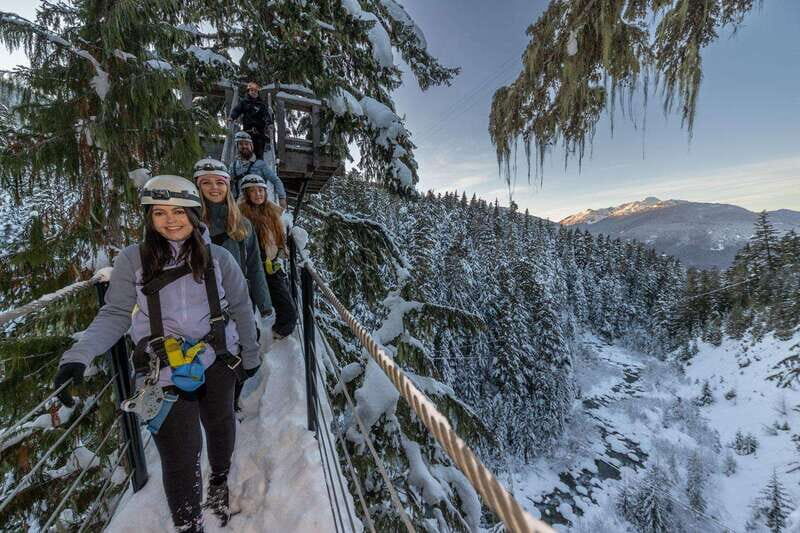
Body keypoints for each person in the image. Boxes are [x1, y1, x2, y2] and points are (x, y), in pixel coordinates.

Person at [53, 175, 260, 532]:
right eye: (159, 212)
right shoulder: (133, 260)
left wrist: (251, 356)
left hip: (217, 358)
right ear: (149, 218)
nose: (170, 220)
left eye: (179, 211)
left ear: (195, 215)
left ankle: (218, 482)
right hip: (160, 369)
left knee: (221, 424)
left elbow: (241, 308)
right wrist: (77, 357)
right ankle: (188, 524)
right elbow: (116, 314)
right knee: (180, 455)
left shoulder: (220, 259)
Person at [192, 158, 273, 318]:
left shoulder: (242, 223)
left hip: (237, 301)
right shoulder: (188, 223)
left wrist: (264, 304)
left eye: (220, 182)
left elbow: (254, 265)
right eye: (206, 182)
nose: (214, 187)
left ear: (227, 186)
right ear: (198, 186)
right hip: (200, 304)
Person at [238, 174, 297, 339]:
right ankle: (250, 343)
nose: (258, 194)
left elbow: (276, 239)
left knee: (288, 309)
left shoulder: (271, 212)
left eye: (261, 190)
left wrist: (281, 250)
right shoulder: (239, 216)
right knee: (246, 311)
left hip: (270, 267)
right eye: (253, 191)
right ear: (246, 194)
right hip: (249, 270)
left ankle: (278, 334)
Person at [230, 131, 287, 210]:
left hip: (258, 204)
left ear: (251, 146)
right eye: (240, 144)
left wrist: (282, 198)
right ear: (237, 146)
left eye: (246, 144)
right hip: (239, 204)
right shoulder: (233, 166)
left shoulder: (260, 165)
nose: (244, 146)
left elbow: (276, 180)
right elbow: (228, 183)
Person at [228, 82, 272, 161]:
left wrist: (269, 123)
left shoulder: (261, 105)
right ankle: (245, 163)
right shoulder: (244, 102)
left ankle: (259, 165)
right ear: (248, 92)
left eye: (255, 91)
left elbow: (266, 115)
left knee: (259, 151)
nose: (253, 92)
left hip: (259, 132)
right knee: (246, 150)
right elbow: (237, 110)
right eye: (251, 91)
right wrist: (232, 117)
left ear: (258, 93)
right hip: (248, 131)